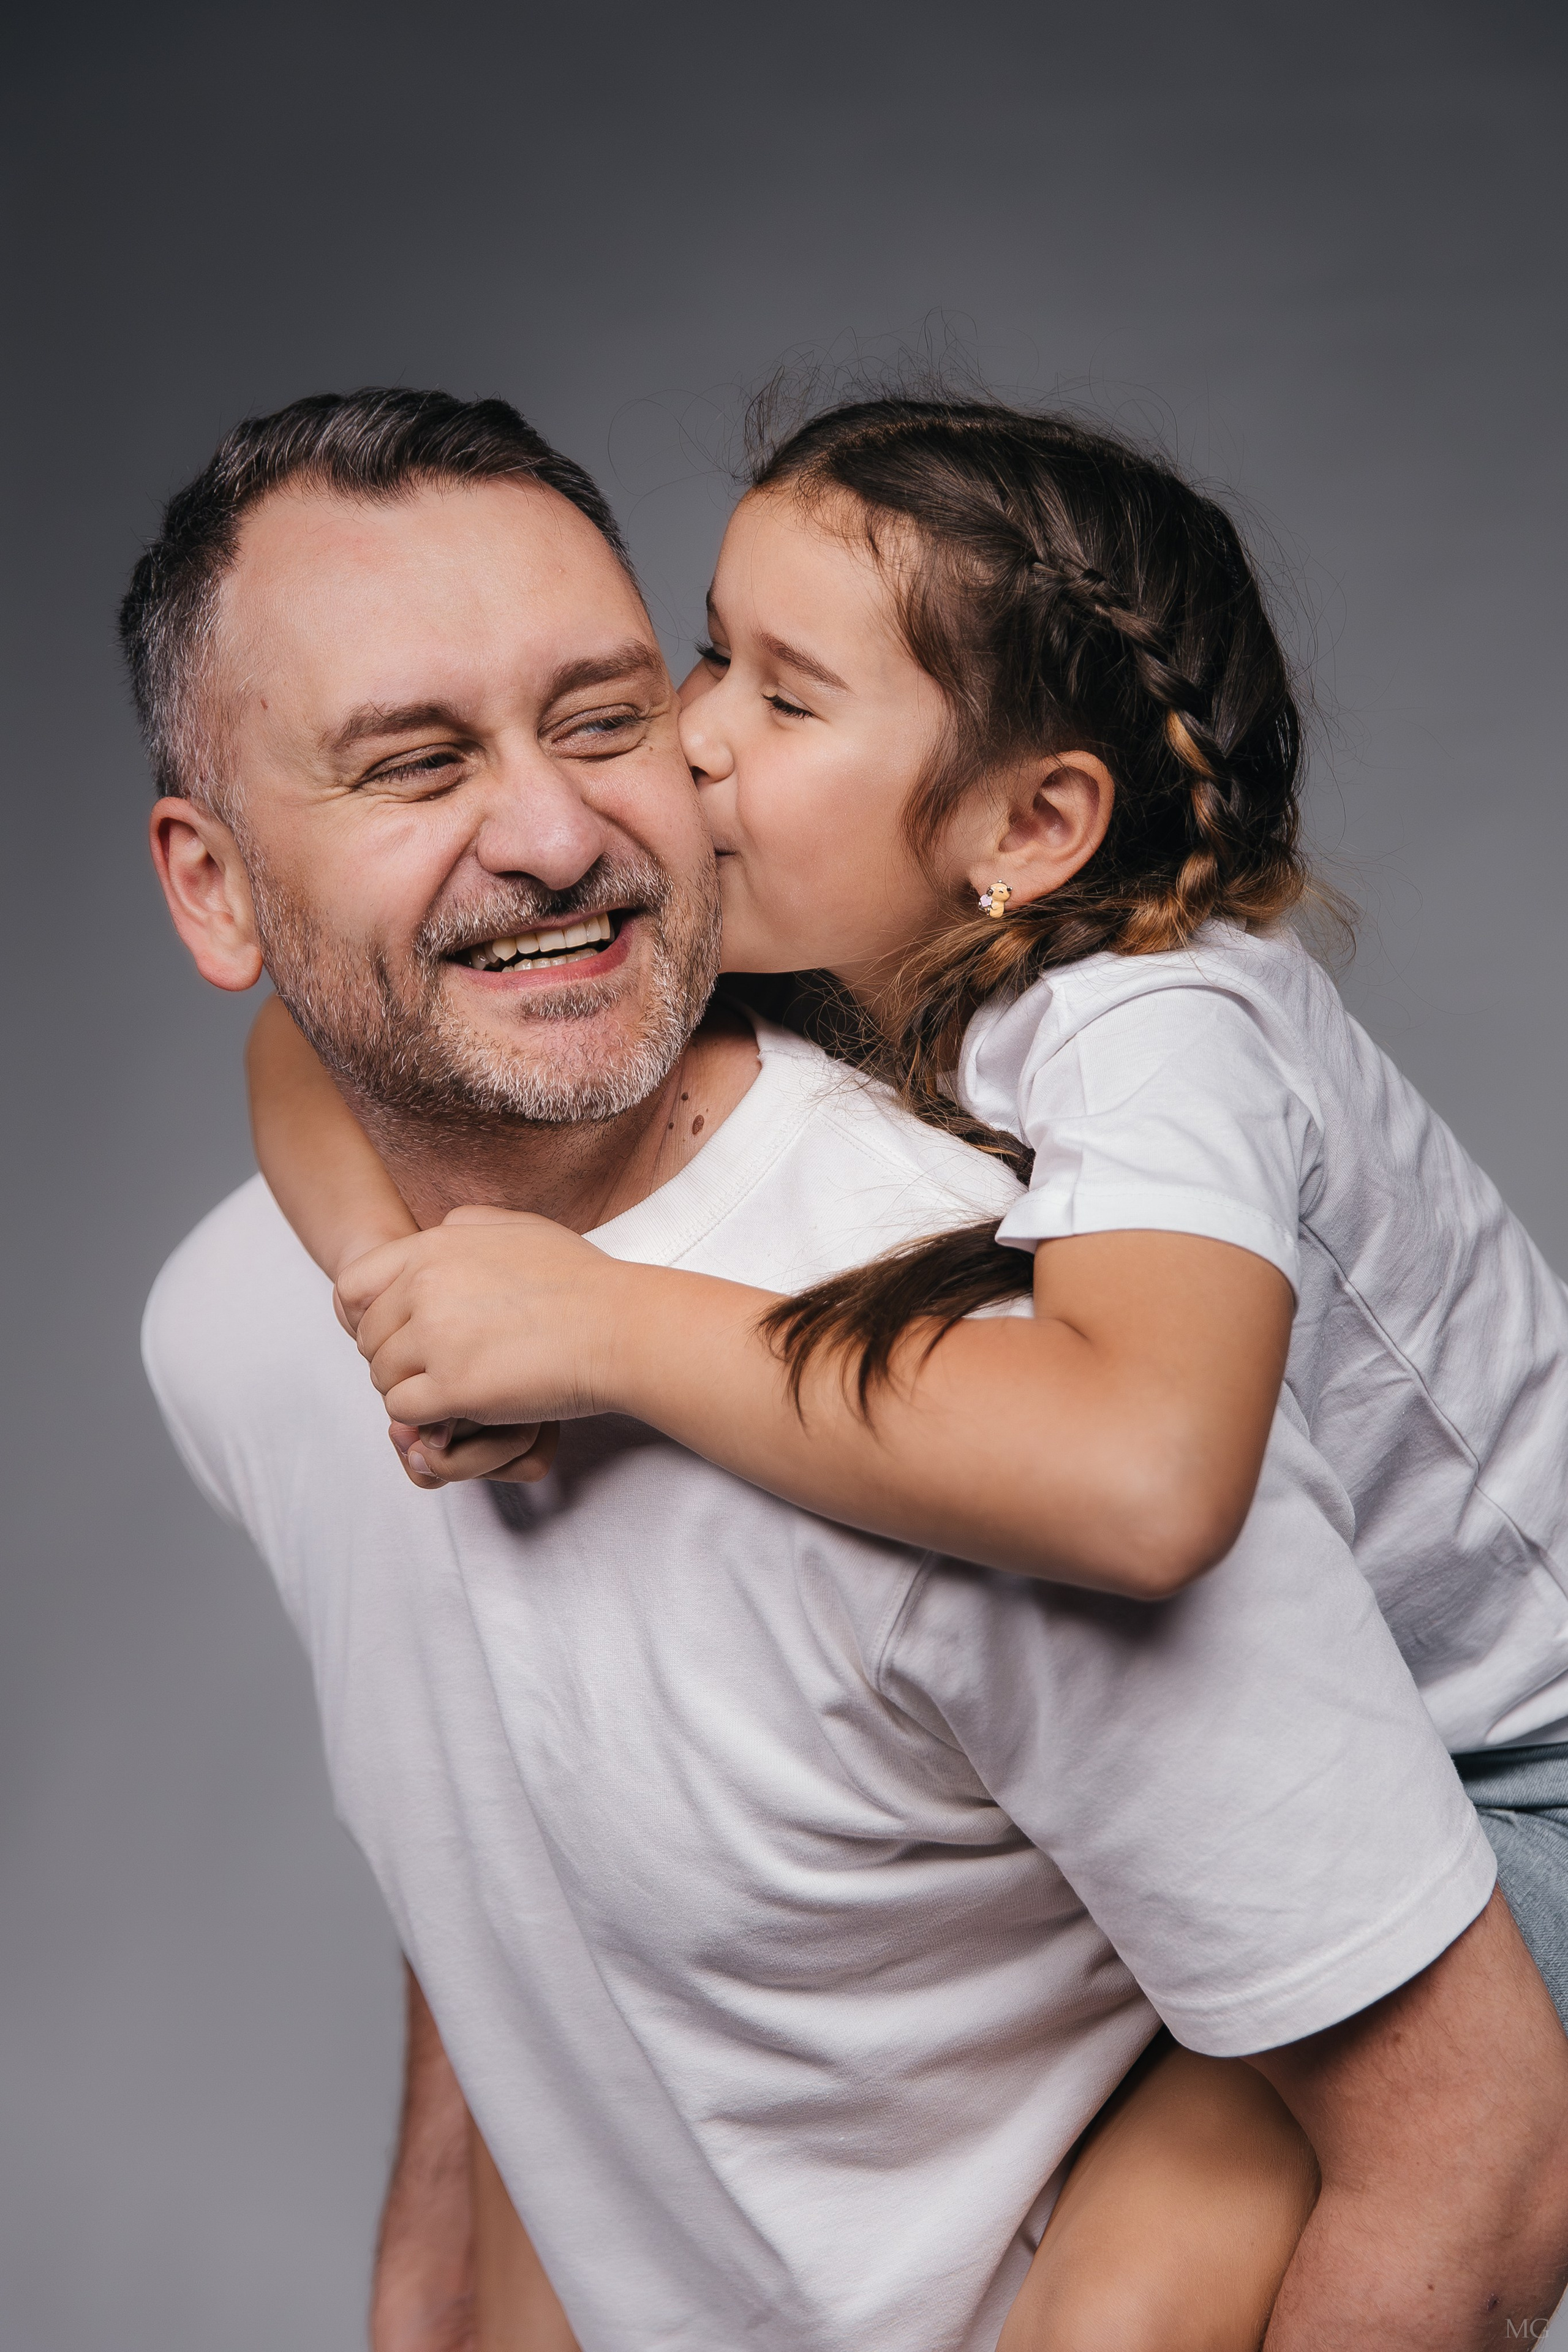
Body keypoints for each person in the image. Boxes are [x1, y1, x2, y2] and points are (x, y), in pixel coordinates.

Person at [130, 388, 1568, 2352]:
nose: (650, 776)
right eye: (702, 659)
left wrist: (604, 1328)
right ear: (212, 881)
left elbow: (1150, 1476)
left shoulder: (1142, 1057)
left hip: (1527, 1770)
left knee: (1132, 2306)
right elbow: (305, 1051)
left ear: (1032, 825)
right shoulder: (780, 954)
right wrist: (420, 1297)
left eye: (715, 703)